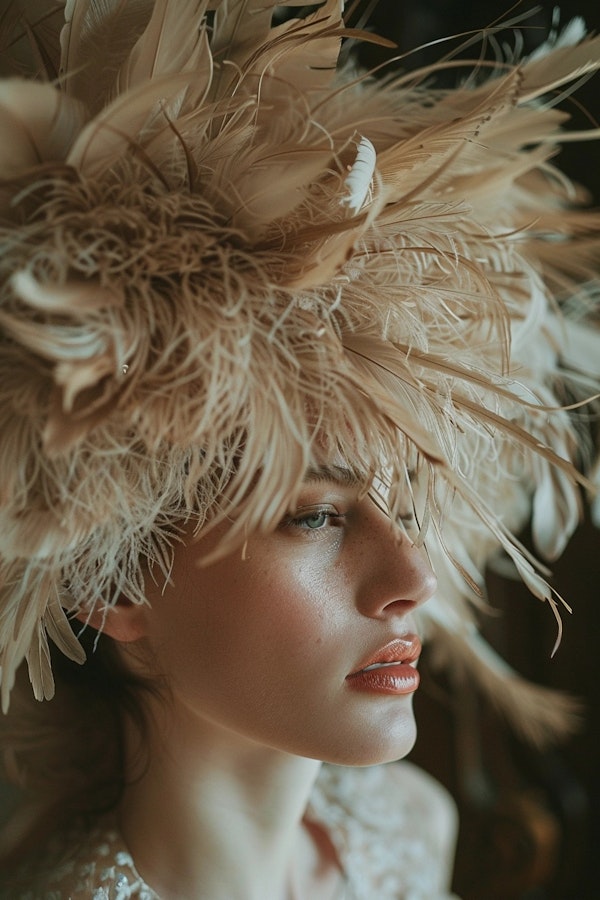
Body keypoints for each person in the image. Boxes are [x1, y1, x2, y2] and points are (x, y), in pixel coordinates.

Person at [0, 1, 599, 897]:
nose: (416, 579)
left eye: (413, 501)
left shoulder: (409, 826)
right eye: (316, 515)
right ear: (111, 581)